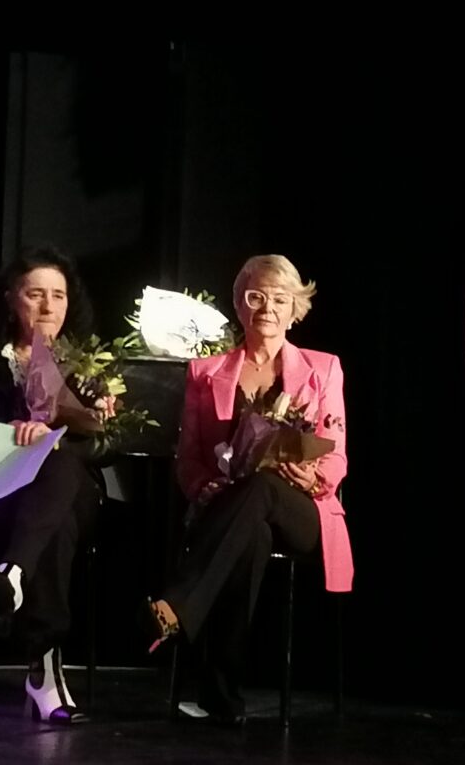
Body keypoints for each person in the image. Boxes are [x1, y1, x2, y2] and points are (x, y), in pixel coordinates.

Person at [143, 254, 353, 724]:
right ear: (240, 305)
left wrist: (315, 476)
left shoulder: (324, 368)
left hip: (303, 510)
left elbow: (337, 455)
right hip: (233, 509)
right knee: (249, 533)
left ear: (295, 309)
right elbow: (188, 458)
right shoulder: (206, 372)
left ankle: (177, 604)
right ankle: (222, 697)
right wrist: (203, 486)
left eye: (279, 299)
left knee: (260, 488)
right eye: (256, 297)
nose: (267, 309)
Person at [0, 244, 107, 724]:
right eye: (36, 294)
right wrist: (5, 438)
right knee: (55, 525)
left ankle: (12, 573)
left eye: (58, 295)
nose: (49, 306)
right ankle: (44, 671)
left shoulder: (86, 367)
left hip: (71, 493)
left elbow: (108, 448)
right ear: (12, 299)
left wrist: (65, 433)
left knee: (59, 465)